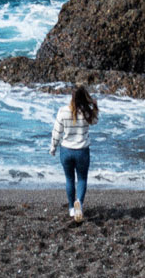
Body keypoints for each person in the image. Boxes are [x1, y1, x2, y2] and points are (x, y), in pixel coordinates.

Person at [49, 84, 99, 222]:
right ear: (84, 98)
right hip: (82, 151)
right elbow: (95, 121)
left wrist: (53, 147)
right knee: (82, 179)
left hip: (66, 151)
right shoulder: (87, 112)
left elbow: (57, 132)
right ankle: (79, 205)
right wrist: (95, 106)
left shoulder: (63, 111)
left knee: (69, 179)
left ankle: (71, 208)